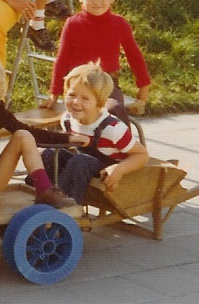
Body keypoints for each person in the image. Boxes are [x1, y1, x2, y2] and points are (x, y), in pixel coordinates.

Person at [0, 52, 79, 207]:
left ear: (0, 93)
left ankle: (45, 190)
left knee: (23, 135)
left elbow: (30, 132)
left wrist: (68, 138)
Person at [42, 0, 151, 118]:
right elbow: (62, 59)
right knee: (81, 112)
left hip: (107, 85)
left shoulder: (119, 24)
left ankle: (120, 141)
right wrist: (55, 92)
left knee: (112, 110)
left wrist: (143, 88)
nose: (97, 2)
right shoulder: (73, 24)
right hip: (79, 84)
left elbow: (135, 56)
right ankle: (81, 140)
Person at [41, 63, 149, 204]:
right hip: (86, 165)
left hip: (109, 170)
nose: (76, 102)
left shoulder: (112, 129)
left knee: (80, 161)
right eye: (72, 94)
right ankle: (42, 194)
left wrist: (119, 169)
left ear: (99, 103)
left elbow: (142, 155)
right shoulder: (68, 120)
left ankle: (67, 207)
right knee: (49, 153)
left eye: (85, 98)